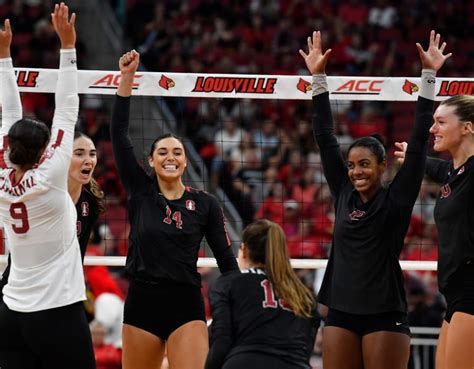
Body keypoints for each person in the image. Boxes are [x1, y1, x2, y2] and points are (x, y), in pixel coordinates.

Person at [298, 30, 450, 369]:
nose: (355, 172)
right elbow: (325, 137)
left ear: (383, 166)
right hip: (340, 311)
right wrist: (318, 79)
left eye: (364, 164)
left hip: (385, 313)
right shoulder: (343, 193)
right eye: (351, 165)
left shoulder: (396, 199)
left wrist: (428, 76)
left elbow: (419, 139)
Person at [111, 49, 239, 369]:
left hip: (186, 303)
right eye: (163, 152)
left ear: (184, 160)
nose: (171, 156)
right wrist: (126, 80)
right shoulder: (140, 192)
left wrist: (243, 302)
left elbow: (226, 260)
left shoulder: (206, 203)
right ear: (151, 161)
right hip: (142, 301)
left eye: (178, 152)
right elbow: (118, 134)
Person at [0, 5, 96, 369]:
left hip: (10, 312)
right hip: (56, 313)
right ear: (43, 153)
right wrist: (68, 46)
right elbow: (66, 108)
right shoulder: (50, 175)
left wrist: (3, 57)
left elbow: (10, 115)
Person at [394, 95, 474, 368]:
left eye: (441, 122)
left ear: (467, 127)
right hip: (454, 294)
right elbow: (440, 169)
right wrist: (414, 159)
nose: (432, 129)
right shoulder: (456, 171)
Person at [1, 130, 105, 301]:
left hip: (61, 292)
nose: (89, 160)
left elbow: (78, 256)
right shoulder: (40, 193)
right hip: (22, 286)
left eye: (92, 154)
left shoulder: (91, 201)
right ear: (61, 158)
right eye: (79, 153)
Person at [205, 219, 319, 369]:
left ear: (244, 250)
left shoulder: (229, 283)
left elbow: (222, 342)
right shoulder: (303, 294)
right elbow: (305, 349)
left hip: (244, 362)